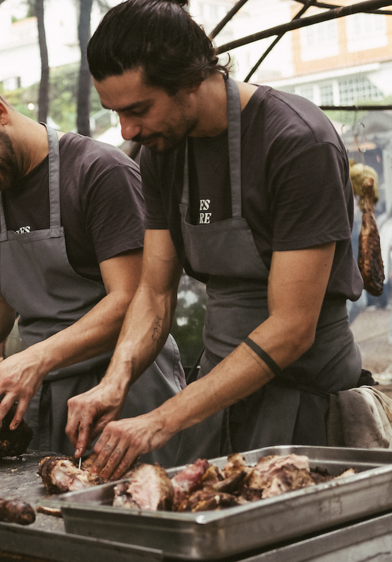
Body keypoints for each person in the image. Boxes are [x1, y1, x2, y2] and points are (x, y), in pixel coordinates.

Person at [65, 0, 365, 480]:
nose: (127, 130)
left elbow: (291, 327)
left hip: (304, 401)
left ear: (189, 79)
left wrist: (163, 418)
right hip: (212, 401)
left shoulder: (296, 142)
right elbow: (155, 291)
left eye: (138, 109)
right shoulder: (162, 152)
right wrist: (115, 380)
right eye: (116, 113)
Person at [0, 75, 184, 461]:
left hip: (125, 384)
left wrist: (35, 358)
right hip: (42, 391)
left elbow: (132, 299)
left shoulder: (99, 171)